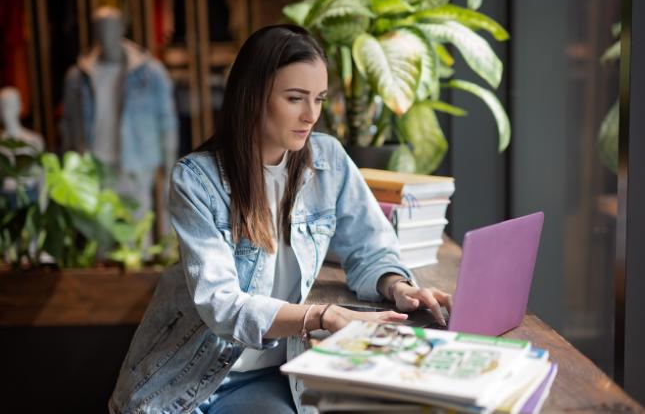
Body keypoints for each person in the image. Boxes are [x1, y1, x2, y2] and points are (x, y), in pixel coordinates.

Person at [108, 24, 452, 414]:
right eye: (295, 98)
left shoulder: (329, 162)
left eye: (319, 99)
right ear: (254, 97)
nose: (311, 115)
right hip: (182, 376)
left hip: (265, 376)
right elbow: (222, 306)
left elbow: (370, 246)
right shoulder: (197, 180)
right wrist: (322, 315)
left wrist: (397, 285)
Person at [60, 6, 177, 223]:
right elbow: (68, 124)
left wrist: (169, 168)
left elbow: (167, 120)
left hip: (137, 162)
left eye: (111, 27)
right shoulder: (78, 76)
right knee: (100, 236)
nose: (105, 34)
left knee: (138, 230)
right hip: (94, 162)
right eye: (100, 28)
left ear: (122, 28)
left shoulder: (150, 73)